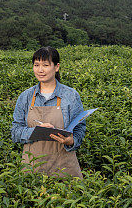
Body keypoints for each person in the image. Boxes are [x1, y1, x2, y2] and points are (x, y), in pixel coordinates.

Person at [11, 46, 86, 178]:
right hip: (32, 167)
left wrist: (71, 141)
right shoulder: (25, 97)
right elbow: (15, 132)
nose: (40, 70)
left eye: (45, 65)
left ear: (56, 67)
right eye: (36, 65)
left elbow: (80, 129)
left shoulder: (70, 95)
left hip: (64, 166)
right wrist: (35, 131)